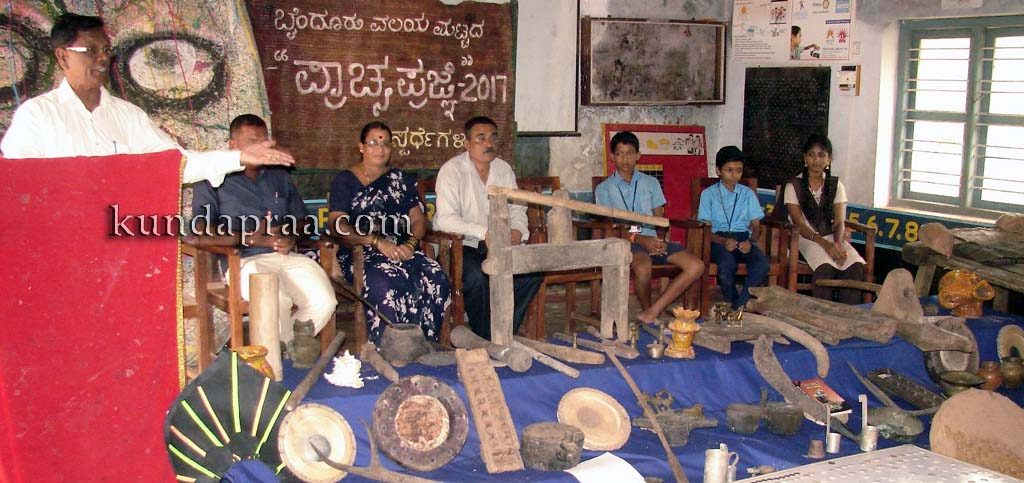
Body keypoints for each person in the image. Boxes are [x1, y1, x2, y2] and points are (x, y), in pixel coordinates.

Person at [1, 13, 292, 186]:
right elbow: (17, 186)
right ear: (63, 56)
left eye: (106, 50)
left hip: (118, 241)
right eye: (91, 50)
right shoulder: (37, 115)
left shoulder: (128, 116)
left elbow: (175, 164)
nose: (103, 58)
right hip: (60, 244)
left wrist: (238, 157)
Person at [190, 114, 337, 349]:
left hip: (284, 256)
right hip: (242, 261)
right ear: (233, 146)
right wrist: (246, 238)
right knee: (276, 299)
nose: (261, 147)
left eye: (265, 141)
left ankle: (285, 350)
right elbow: (201, 229)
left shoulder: (278, 175)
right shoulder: (212, 177)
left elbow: (305, 222)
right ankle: (279, 362)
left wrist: (291, 236)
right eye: (253, 141)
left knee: (324, 301)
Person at [328, 121, 451, 345]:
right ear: (361, 147)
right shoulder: (345, 181)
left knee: (436, 276)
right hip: (361, 252)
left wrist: (411, 245)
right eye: (373, 142)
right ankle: (389, 348)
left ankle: (425, 344)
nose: (380, 148)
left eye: (385, 143)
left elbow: (418, 220)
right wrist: (375, 242)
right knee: (384, 282)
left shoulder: (401, 180)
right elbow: (338, 224)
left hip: (402, 251)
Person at [434, 116, 542, 340]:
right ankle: (487, 337)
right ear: (466, 144)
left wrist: (518, 231)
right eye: (480, 138)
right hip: (460, 245)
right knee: (478, 275)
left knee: (533, 270)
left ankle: (503, 331)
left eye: (493, 138)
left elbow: (517, 210)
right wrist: (484, 233)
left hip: (499, 243)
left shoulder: (503, 170)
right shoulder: (452, 171)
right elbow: (445, 220)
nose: (488, 144)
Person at [594, 131, 704, 324]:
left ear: (638, 156)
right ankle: (648, 311)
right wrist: (640, 239)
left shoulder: (650, 183)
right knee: (643, 268)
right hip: (624, 241)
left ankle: (653, 311)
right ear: (612, 157)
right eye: (619, 154)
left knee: (696, 266)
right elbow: (610, 226)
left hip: (652, 239)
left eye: (629, 153)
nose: (625, 159)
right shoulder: (604, 189)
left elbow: (659, 217)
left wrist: (659, 239)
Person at [784, 134, 866, 304]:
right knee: (825, 269)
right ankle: (823, 318)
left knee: (855, 267)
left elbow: (839, 222)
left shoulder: (836, 185)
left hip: (832, 237)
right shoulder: (794, 185)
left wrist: (837, 244)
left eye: (821, 155)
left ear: (829, 159)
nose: (816, 160)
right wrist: (826, 245)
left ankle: (848, 318)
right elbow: (799, 223)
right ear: (804, 158)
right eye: (811, 155)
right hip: (805, 238)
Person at [698, 146, 770, 309]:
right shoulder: (708, 194)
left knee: (762, 265)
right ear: (718, 170)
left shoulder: (747, 194)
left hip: (743, 237)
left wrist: (751, 241)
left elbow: (756, 226)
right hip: (718, 239)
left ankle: (739, 304)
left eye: (738, 170)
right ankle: (732, 300)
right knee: (726, 264)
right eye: (729, 170)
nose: (734, 175)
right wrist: (723, 241)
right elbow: (705, 229)